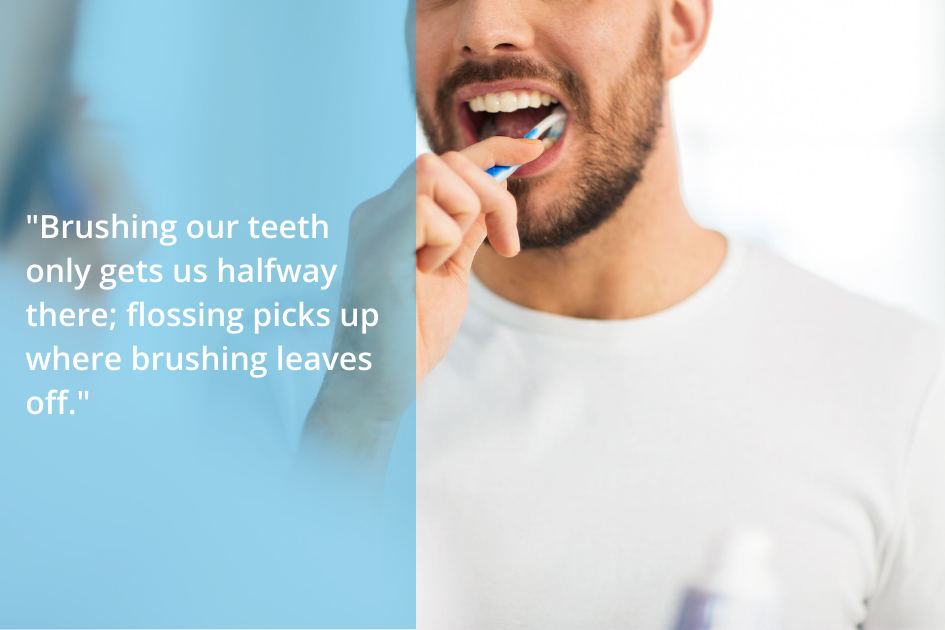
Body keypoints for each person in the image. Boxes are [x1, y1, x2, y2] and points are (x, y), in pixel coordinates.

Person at [300, 0, 945, 627]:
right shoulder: (300, 374)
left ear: (681, 26)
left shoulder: (905, 390)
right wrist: (356, 421)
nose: (483, 26)